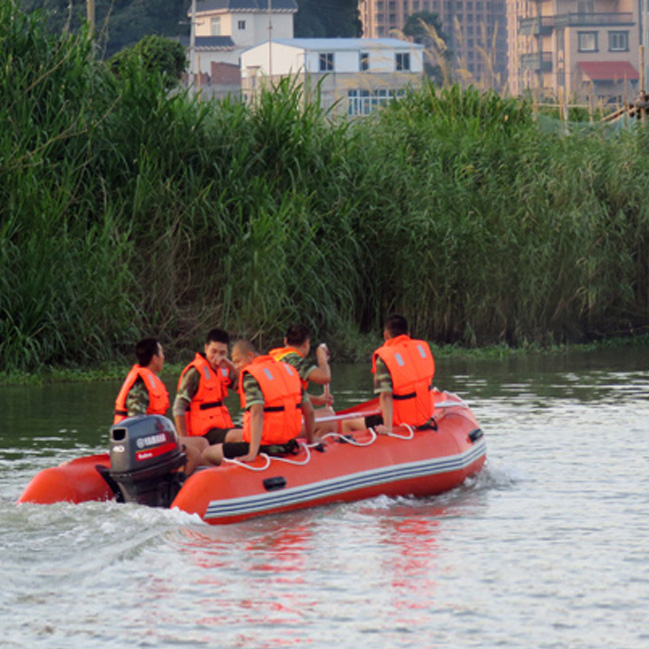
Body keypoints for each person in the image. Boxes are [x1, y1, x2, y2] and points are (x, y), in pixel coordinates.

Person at [202, 339, 315, 465]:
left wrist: (252, 453)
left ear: (250, 355)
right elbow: (309, 411)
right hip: (289, 445)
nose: (237, 366)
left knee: (207, 453)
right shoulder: (289, 371)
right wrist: (310, 440)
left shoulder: (251, 376)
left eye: (238, 361)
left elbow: (257, 413)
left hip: (264, 448)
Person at [113, 338, 204, 475]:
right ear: (155, 358)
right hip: (140, 445)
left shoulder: (151, 379)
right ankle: (178, 486)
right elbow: (134, 422)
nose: (163, 357)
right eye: (161, 353)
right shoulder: (140, 384)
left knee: (203, 443)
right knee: (194, 454)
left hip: (155, 440)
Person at [343, 314, 436, 435]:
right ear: (408, 334)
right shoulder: (421, 349)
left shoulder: (385, 357)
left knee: (347, 422)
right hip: (425, 417)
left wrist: (387, 427)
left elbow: (386, 395)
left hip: (401, 421)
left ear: (385, 335)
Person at [173, 328, 240, 446]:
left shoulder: (225, 369)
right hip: (202, 433)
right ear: (206, 348)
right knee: (241, 435)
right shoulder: (195, 372)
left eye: (222, 353)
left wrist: (231, 366)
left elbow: (246, 387)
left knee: (253, 429)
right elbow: (178, 408)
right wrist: (184, 440)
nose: (217, 357)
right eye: (213, 351)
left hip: (222, 428)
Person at [268, 323, 334, 433]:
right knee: (329, 418)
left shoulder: (273, 357)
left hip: (273, 417)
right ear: (306, 343)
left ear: (285, 341)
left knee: (325, 413)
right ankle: (317, 447)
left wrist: (317, 400)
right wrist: (321, 356)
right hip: (281, 422)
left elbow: (290, 394)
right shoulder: (292, 360)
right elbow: (325, 377)